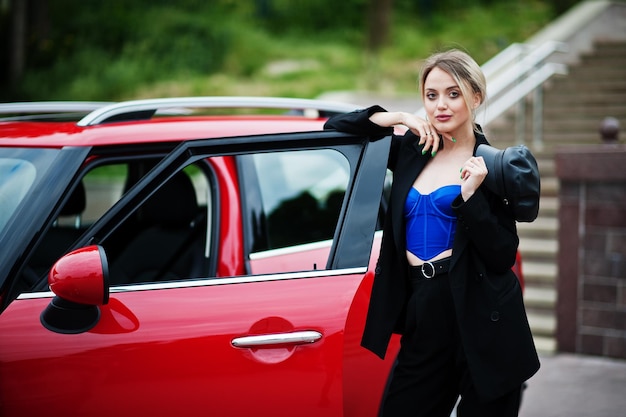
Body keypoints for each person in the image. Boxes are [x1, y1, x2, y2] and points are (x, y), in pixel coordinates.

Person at [324, 49, 539, 417]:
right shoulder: (411, 149)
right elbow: (336, 128)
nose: (441, 105)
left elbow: (503, 255)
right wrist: (400, 117)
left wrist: (472, 198)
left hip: (482, 313)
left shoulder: (492, 164)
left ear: (476, 97)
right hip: (424, 306)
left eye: (453, 93)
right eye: (431, 95)